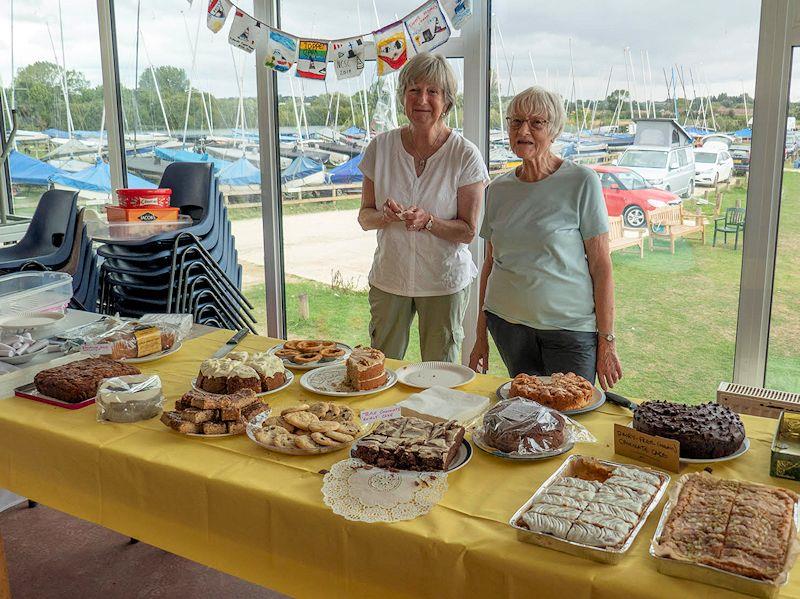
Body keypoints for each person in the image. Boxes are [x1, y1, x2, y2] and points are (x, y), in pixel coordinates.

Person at [468, 86, 622, 390]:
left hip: (569, 330)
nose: (523, 130)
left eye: (536, 123)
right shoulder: (497, 190)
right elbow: (490, 264)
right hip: (508, 326)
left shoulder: (581, 182)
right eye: (515, 122)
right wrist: (480, 336)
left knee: (571, 413)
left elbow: (601, 266)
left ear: (554, 131)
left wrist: (607, 340)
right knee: (530, 417)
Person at [357, 52, 489, 362]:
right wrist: (385, 216)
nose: (422, 99)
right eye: (414, 89)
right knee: (381, 369)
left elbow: (469, 231)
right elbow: (365, 217)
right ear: (403, 96)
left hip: (443, 283)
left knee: (440, 377)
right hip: (390, 277)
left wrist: (429, 221)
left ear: (447, 101)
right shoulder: (380, 147)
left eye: (433, 91)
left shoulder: (465, 155)